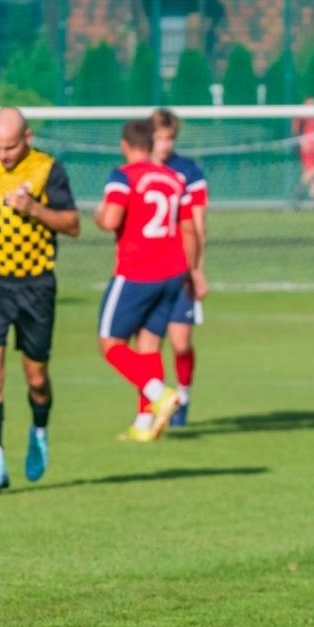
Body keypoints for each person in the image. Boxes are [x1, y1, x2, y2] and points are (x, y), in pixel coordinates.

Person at [0, 107, 80, 492]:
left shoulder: (48, 170)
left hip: (36, 285)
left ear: (27, 138)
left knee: (37, 379)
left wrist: (33, 208)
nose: (2, 155)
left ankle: (40, 430)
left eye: (10, 147)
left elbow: (73, 224)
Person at [93, 119, 193, 442]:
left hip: (137, 271)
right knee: (149, 346)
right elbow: (188, 228)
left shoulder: (123, 176)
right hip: (173, 273)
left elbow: (110, 220)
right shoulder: (175, 179)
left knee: (110, 344)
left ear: (125, 145)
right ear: (151, 144)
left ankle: (159, 394)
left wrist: (98, 213)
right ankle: (144, 423)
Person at [146, 109, 208, 428]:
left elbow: (198, 225)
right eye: (159, 137)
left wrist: (198, 270)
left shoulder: (188, 171)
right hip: (146, 272)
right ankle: (152, 408)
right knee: (149, 345)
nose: (165, 145)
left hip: (180, 270)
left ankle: (183, 394)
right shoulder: (137, 171)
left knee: (181, 342)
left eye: (170, 138)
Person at [291, 99, 314, 201]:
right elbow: (295, 125)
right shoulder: (304, 114)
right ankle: (299, 188)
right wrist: (301, 141)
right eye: (313, 104)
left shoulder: (313, 117)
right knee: (313, 170)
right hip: (308, 147)